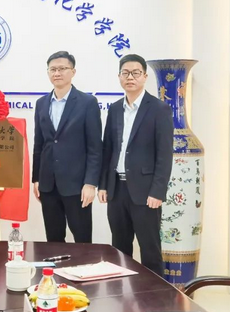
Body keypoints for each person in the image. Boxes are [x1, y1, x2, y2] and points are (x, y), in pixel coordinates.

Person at [98, 53, 173, 276]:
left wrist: (157, 191)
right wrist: (104, 185)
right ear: (119, 77)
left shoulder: (159, 109)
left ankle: (155, 294)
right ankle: (122, 292)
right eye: (125, 73)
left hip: (146, 192)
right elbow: (108, 149)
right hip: (117, 190)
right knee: (119, 249)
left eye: (135, 73)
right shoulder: (114, 109)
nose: (130, 77)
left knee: (150, 249)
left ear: (144, 77)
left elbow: (164, 154)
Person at [32, 51, 103, 243]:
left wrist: (90, 183)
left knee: (82, 241)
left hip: (77, 185)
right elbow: (39, 144)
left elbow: (95, 147)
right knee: (53, 240)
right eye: (53, 69)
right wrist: (36, 178)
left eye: (62, 68)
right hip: (48, 184)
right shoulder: (41, 103)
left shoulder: (87, 103)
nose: (57, 73)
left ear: (73, 72)